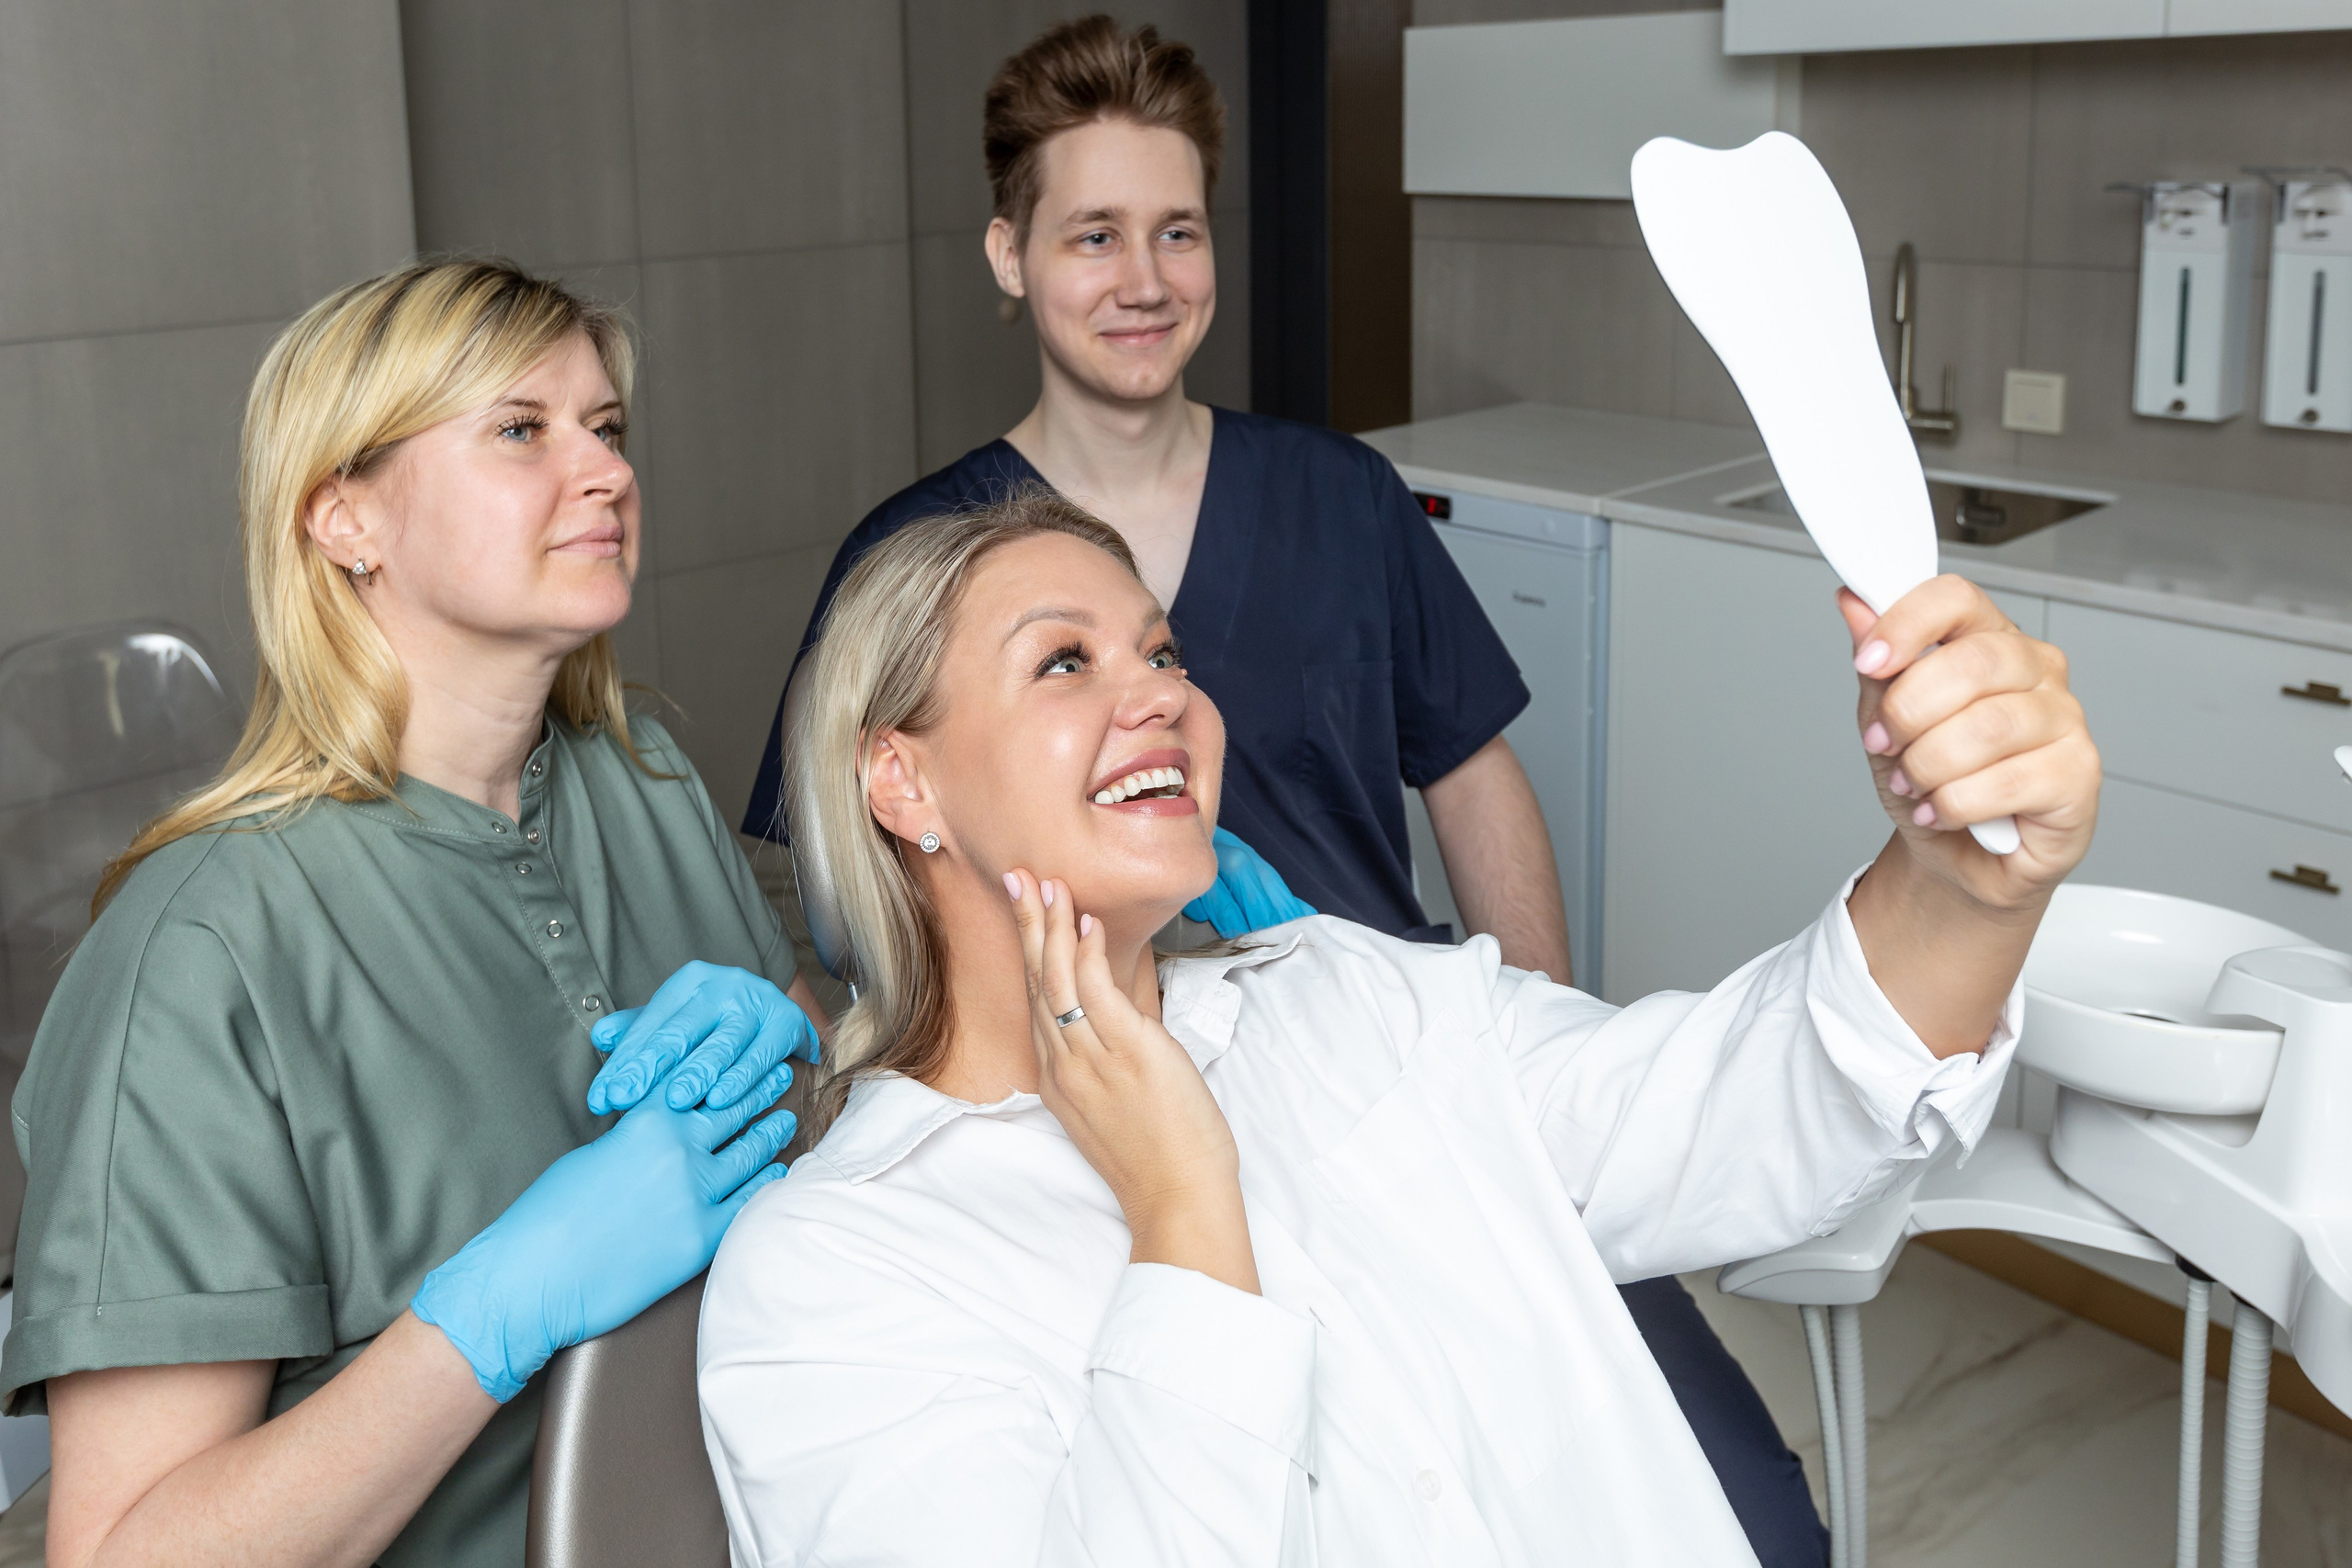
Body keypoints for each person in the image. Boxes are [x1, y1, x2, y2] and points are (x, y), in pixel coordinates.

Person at [735, 17, 1821, 1559]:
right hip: (1100, 1113)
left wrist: (1525, 1063)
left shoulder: (1340, 494)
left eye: (1179, 231)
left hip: (1380, 1077)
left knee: (1749, 1518)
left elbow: (1471, 773)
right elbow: (840, 883)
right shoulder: (927, 562)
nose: (1144, 278)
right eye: (1093, 234)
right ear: (1008, 253)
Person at [697, 494, 2100, 1564]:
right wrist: (1188, 1213)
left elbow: (1735, 1105)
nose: (1163, 697)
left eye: (1165, 651)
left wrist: (1968, 886)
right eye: (1063, 663)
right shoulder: (831, 1273)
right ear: (903, 782)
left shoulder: (1354, 994)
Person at [5, 261, 819, 1568]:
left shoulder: (646, 777)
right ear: (344, 520)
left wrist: (804, 1052)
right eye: (521, 429)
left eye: (606, 429)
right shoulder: (202, 952)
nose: (605, 472)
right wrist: (490, 1316)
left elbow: (807, 1104)